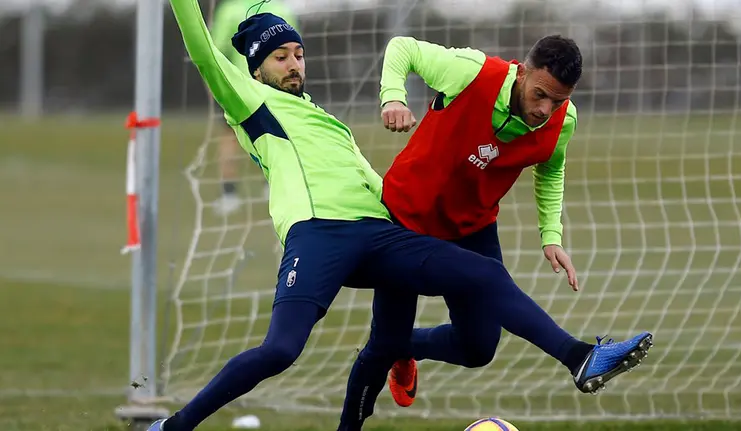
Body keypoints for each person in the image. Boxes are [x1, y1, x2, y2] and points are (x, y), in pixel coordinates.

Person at [153, 1, 652, 429]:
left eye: (299, 55)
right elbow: (201, 47)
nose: (294, 64)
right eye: (281, 57)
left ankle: (581, 356)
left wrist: (544, 233)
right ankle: (174, 426)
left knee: (479, 277)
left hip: (380, 233)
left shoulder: (328, 122)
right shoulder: (248, 100)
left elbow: (372, 184)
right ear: (256, 68)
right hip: (317, 237)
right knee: (281, 351)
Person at [335, 35, 654, 430]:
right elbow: (402, 47)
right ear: (522, 72)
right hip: (406, 219)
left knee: (478, 347)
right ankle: (580, 356)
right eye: (539, 95)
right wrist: (393, 98)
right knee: (382, 346)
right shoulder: (471, 72)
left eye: (557, 101)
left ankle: (407, 346)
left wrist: (551, 235)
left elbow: (551, 167)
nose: (545, 109)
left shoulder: (562, 119)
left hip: (472, 226)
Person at [209, 0, 299, 216]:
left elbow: (217, 48)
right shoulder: (281, 10)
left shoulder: (230, 10)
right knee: (275, 135)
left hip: (238, 86)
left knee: (230, 137)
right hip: (274, 84)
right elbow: (294, 48)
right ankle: (273, 187)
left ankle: (229, 195)